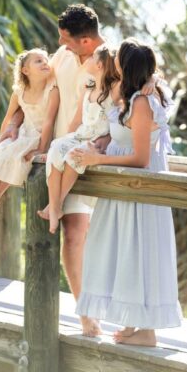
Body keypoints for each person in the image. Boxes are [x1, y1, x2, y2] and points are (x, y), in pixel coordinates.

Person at [72, 38, 182, 346]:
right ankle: (134, 324)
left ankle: (147, 331)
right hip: (123, 190)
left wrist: (98, 159)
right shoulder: (133, 95)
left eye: (119, 57)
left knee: (140, 253)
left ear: (127, 65)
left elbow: (141, 158)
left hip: (140, 190)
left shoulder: (143, 103)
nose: (113, 59)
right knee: (126, 254)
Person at [39, 44, 120, 233]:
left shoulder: (115, 89)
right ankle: (54, 205)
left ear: (99, 65)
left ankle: (56, 205)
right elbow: (76, 120)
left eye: (93, 57)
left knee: (74, 155)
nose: (88, 60)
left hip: (98, 140)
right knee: (57, 147)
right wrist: (64, 141)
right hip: (81, 134)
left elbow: (140, 80)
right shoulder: (88, 88)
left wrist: (151, 81)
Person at [0, 48, 59, 207]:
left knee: (16, 156)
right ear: (25, 70)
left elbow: (49, 122)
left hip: (40, 137)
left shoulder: (52, 91)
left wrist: (41, 149)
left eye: (46, 60)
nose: (45, 63)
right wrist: (1, 140)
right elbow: (8, 117)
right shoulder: (19, 92)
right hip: (24, 132)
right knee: (3, 149)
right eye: (38, 61)